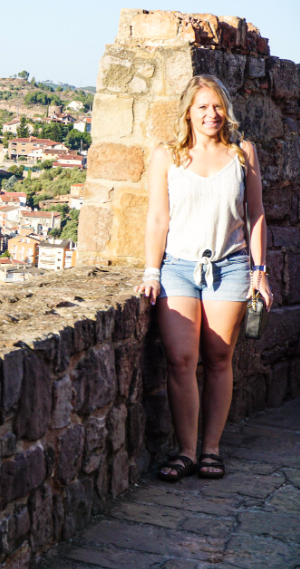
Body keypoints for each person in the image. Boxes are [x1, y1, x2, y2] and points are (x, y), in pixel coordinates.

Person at [135, 75, 272, 482]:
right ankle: (185, 451)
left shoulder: (243, 153)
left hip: (230, 266)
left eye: (217, 106)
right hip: (178, 267)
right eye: (202, 108)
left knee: (217, 359)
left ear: (225, 109)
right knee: (180, 360)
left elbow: (256, 214)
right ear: (188, 113)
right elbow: (158, 217)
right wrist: (151, 270)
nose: (211, 114)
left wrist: (259, 272)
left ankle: (211, 449)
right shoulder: (168, 156)